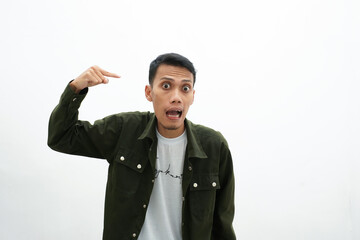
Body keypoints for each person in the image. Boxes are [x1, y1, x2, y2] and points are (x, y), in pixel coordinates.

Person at [48, 53, 236, 240]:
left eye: (185, 88)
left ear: (192, 96)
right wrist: (75, 89)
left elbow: (222, 224)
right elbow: (62, 137)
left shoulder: (214, 146)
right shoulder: (125, 130)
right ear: (149, 92)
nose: (176, 97)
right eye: (166, 86)